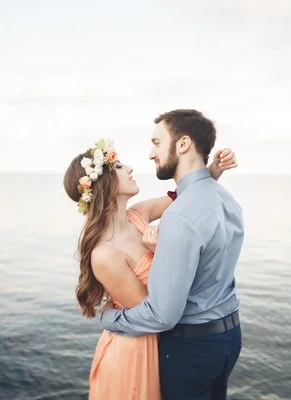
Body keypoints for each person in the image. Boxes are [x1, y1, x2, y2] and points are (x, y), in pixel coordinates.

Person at [63, 131, 237, 399]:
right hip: (134, 350)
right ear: (104, 184)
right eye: (119, 166)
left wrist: (213, 168)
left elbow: (185, 196)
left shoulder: (139, 214)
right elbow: (154, 311)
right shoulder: (104, 254)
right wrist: (161, 248)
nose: (130, 167)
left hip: (161, 344)